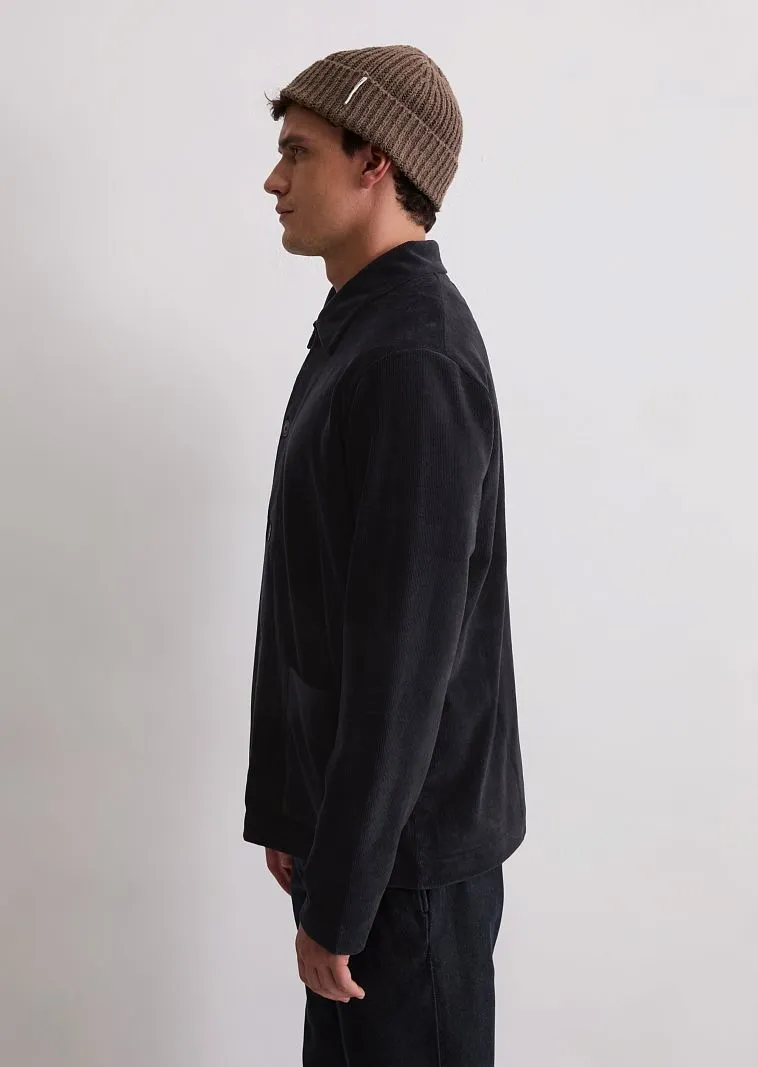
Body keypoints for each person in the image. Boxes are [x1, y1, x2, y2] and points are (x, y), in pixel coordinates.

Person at [244, 43, 526, 1066]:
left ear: (376, 162)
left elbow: (405, 659)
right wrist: (297, 810)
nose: (273, 179)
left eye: (298, 151)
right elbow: (321, 601)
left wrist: (347, 890)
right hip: (368, 852)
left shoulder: (410, 356)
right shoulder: (365, 330)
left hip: (403, 874)